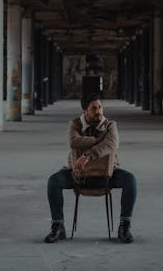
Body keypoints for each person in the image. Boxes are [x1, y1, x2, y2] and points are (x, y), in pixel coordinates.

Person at [44, 93, 137, 243]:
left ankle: (124, 226)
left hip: (107, 175)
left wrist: (87, 155)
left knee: (130, 180)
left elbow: (112, 143)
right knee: (53, 181)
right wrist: (98, 140)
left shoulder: (110, 125)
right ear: (85, 112)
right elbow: (73, 141)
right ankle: (58, 225)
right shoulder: (75, 124)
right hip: (79, 176)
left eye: (100, 107)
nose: (99, 111)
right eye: (94, 108)